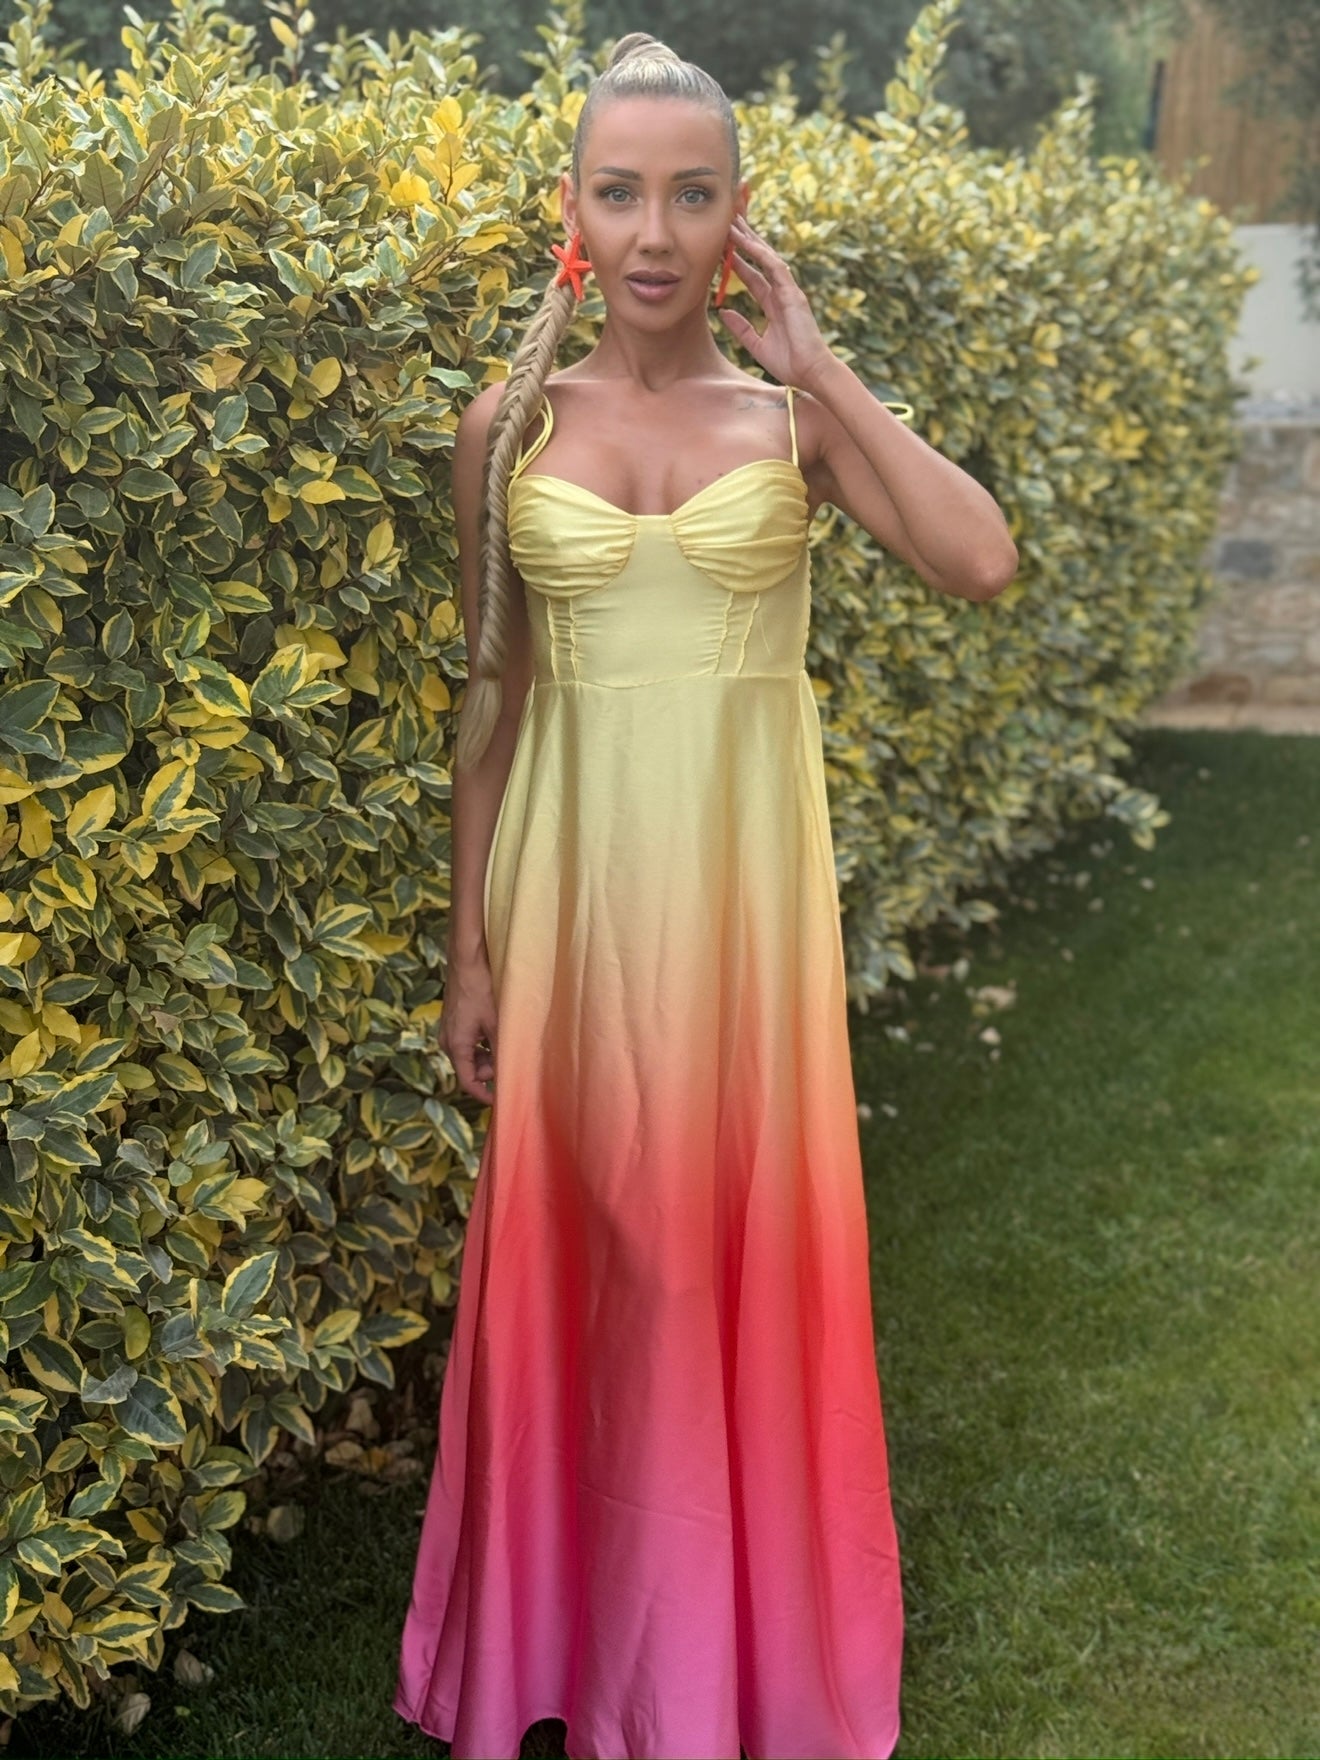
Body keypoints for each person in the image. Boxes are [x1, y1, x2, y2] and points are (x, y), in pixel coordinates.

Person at [393, 29, 1018, 1760]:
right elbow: (494, 702)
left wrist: (824, 365)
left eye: (690, 194)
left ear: (740, 214)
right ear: (574, 213)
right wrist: (468, 953)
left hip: (741, 916)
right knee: (600, 1261)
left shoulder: (791, 427)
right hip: (574, 905)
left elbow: (979, 559)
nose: (655, 232)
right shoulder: (506, 429)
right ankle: (579, 1655)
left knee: (710, 1264)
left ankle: (710, 1671)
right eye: (621, 192)